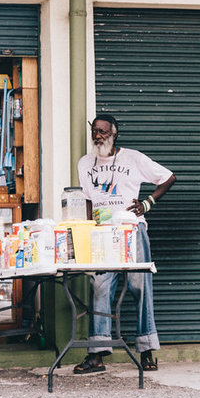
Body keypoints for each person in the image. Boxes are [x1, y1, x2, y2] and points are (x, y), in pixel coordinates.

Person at [73, 113, 176, 374]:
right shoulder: (85, 163)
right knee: (99, 287)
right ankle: (97, 356)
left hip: (131, 231)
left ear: (114, 133)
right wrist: (88, 228)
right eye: (95, 131)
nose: (98, 136)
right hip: (101, 235)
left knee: (139, 286)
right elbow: (88, 199)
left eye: (104, 132)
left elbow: (167, 177)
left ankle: (147, 351)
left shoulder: (133, 158)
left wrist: (147, 204)